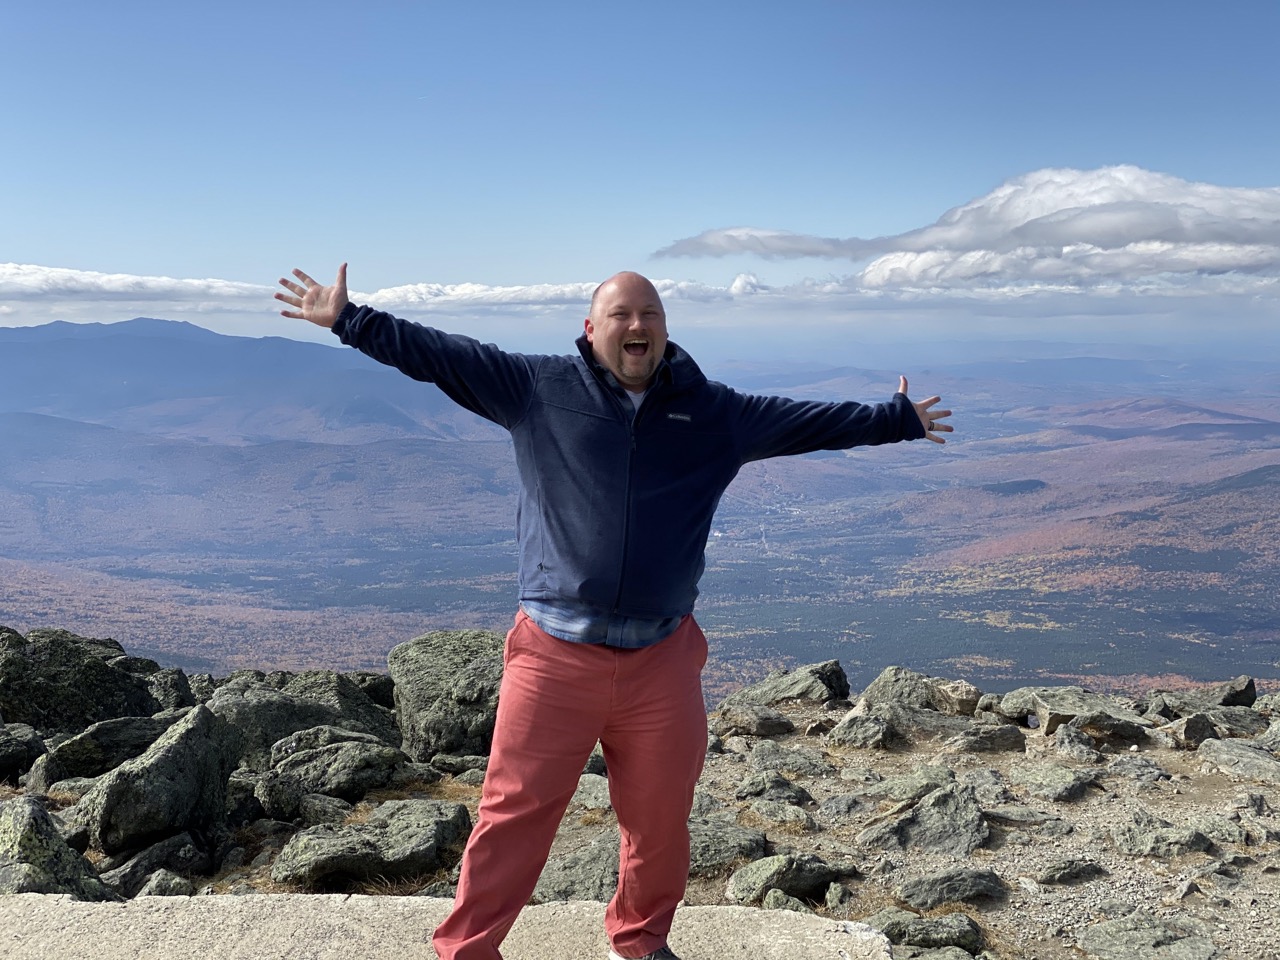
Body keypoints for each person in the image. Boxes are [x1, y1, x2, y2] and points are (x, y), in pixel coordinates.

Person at [276, 264, 952, 960]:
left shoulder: (713, 412)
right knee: (512, 817)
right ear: (591, 330)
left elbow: (806, 421)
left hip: (661, 659)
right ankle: (468, 950)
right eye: (622, 315)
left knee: (660, 823)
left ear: (665, 330)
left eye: (650, 315)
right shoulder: (538, 389)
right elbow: (443, 355)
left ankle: (638, 942)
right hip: (553, 654)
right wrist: (350, 320)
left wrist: (895, 419)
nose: (637, 327)